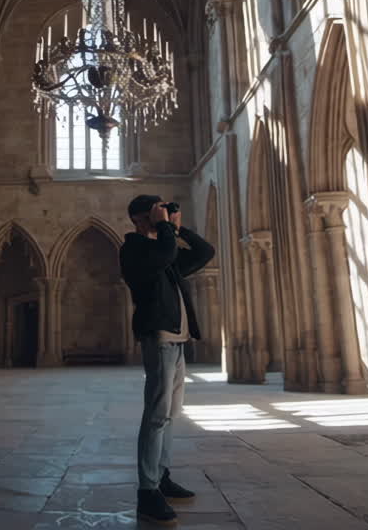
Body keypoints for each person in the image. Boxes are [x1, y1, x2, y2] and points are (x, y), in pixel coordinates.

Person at [120, 194, 215, 526]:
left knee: (171, 414)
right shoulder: (134, 249)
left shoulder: (166, 250)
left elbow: (205, 253)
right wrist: (163, 229)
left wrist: (178, 227)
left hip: (178, 340)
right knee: (157, 414)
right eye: (155, 213)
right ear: (139, 219)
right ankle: (147, 492)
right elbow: (161, 254)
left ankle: (161, 477)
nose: (162, 217)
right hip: (159, 336)